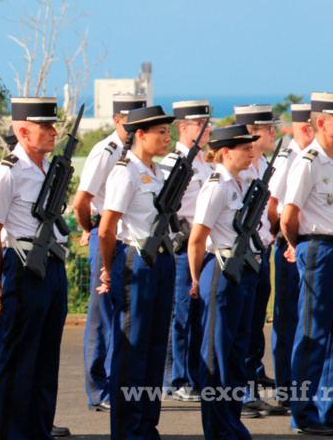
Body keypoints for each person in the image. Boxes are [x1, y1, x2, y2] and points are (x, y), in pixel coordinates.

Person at [0, 97, 69, 440]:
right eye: (45, 127)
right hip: (23, 266)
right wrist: (2, 280)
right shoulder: (7, 172)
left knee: (47, 361)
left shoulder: (49, 169)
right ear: (22, 131)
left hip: (53, 266)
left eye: (52, 125)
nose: (52, 132)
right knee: (18, 362)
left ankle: (38, 430)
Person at [95, 105, 176, 438]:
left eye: (168, 132)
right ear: (140, 135)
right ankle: (128, 430)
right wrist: (107, 268)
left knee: (156, 348)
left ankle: (147, 425)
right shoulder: (124, 171)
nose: (167, 138)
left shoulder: (158, 172)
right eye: (161, 132)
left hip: (162, 260)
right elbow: (106, 228)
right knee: (133, 350)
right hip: (136, 261)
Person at [281, 92, 333, 435]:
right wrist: (301, 249)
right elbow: (288, 216)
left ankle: (327, 409)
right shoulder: (308, 161)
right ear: (322, 123)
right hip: (318, 250)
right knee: (312, 334)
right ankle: (303, 414)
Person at [74, 93, 146, 412]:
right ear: (118, 120)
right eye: (130, 120)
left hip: (128, 241)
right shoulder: (106, 151)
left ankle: (118, 385)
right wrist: (90, 229)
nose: (135, 126)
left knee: (123, 315)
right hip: (106, 237)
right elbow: (82, 200)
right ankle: (98, 389)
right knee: (102, 315)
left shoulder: (138, 153)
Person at [186, 124, 259, 437]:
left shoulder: (240, 184)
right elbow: (197, 238)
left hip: (242, 271)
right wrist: (194, 279)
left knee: (236, 354)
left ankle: (231, 423)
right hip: (221, 270)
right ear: (226, 152)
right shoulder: (216, 186)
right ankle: (218, 429)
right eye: (245, 148)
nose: (251, 152)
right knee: (216, 357)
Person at [233, 104, 285, 416]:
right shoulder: (243, 167)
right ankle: (241, 393)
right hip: (243, 255)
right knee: (240, 327)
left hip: (261, 251)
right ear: (252, 132)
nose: (274, 133)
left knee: (254, 326)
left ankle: (250, 383)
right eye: (268, 128)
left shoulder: (261, 162)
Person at [162, 100, 213, 403]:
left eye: (207, 123)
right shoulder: (172, 162)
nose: (206, 129)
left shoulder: (206, 162)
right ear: (183, 128)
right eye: (199, 124)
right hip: (183, 248)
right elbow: (168, 207)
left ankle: (192, 375)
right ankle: (177, 378)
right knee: (180, 316)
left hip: (204, 248)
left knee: (197, 318)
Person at [268, 103, 314, 409]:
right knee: (287, 316)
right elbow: (273, 205)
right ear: (307, 128)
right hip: (288, 246)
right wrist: (284, 239)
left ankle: (301, 383)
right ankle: (286, 385)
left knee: (304, 316)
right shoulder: (288, 159)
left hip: (303, 243)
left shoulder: (317, 159)